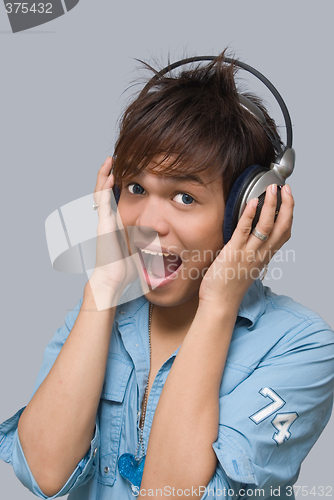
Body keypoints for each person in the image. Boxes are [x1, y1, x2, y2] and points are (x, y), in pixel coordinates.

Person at [0, 52, 333, 500]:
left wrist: (218, 304)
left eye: (184, 197)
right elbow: (43, 472)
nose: (149, 222)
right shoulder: (98, 317)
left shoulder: (303, 346)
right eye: (136, 188)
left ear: (246, 213)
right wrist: (103, 282)